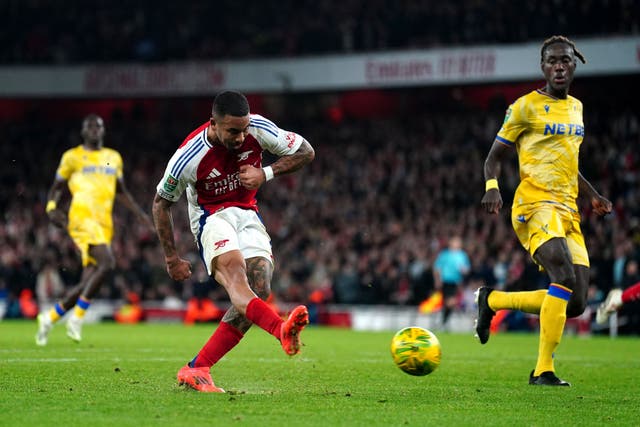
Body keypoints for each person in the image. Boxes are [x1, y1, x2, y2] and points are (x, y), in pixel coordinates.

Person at [152, 90, 315, 393]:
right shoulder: (188, 156)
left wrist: (265, 173)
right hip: (212, 218)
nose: (241, 137)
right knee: (238, 282)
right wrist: (172, 258)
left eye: (243, 129)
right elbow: (161, 203)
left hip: (248, 214)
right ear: (213, 123)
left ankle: (197, 367)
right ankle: (280, 329)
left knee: (261, 286)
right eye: (232, 131)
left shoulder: (258, 128)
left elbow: (306, 151)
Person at [475, 36, 612, 386]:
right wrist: (492, 188)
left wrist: (593, 194)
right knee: (562, 277)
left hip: (568, 208)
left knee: (576, 301)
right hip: (534, 203)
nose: (559, 66)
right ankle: (543, 370)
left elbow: (569, 163)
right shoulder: (524, 107)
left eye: (565, 60)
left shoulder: (577, 108)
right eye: (552, 61)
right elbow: (493, 158)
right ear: (543, 67)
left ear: (574, 64)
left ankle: (492, 300)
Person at [36, 114, 154, 346]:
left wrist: (140, 214)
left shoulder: (113, 158)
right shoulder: (72, 157)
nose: (94, 130)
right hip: (81, 218)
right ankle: (77, 319)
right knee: (108, 263)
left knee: (88, 280)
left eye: (98, 126)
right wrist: (51, 207)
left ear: (102, 131)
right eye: (89, 126)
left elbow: (120, 191)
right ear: (83, 132)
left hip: (103, 223)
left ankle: (49, 318)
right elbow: (57, 187)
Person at [432, 235, 470, 329]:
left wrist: (463, 270)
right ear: (451, 243)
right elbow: (437, 268)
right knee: (450, 302)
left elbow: (466, 269)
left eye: (458, 242)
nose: (457, 244)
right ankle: (443, 322)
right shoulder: (445, 254)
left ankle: (442, 322)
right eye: (455, 242)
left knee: (450, 303)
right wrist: (437, 280)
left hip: (456, 282)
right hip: (446, 281)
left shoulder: (462, 255)